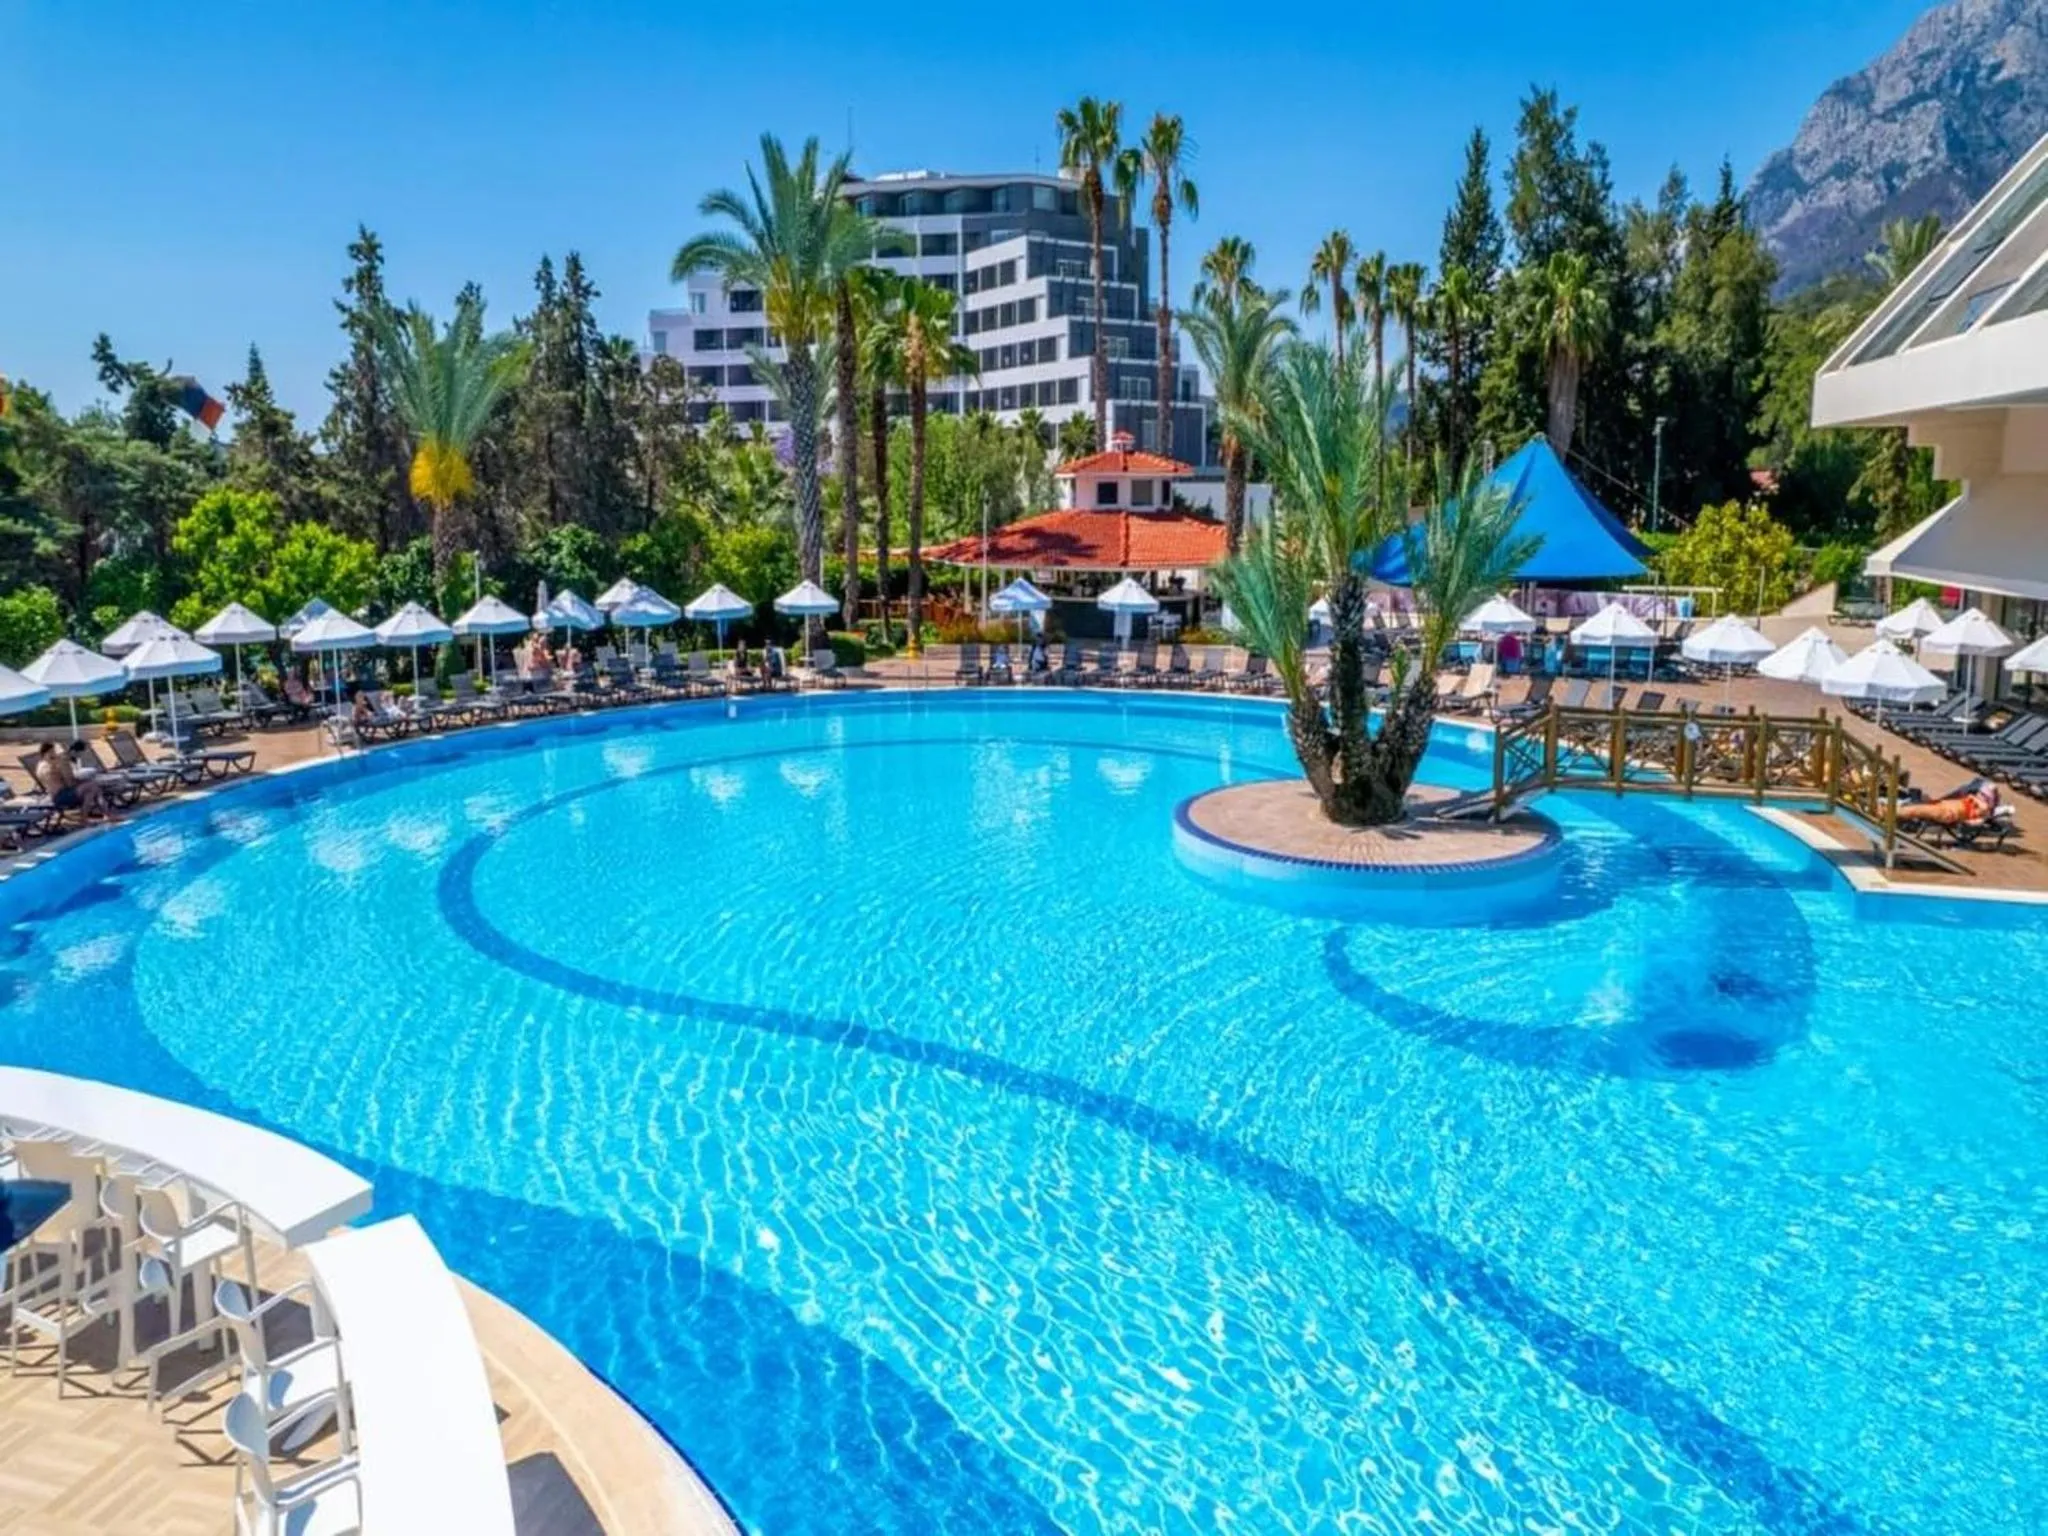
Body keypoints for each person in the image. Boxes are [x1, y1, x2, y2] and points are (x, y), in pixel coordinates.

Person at [33, 741, 105, 820]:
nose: (54, 754)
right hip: (61, 797)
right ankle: (98, 814)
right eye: (51, 752)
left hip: (57, 795)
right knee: (93, 786)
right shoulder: (53, 765)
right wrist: (64, 765)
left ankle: (86, 817)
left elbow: (63, 781)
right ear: (45, 753)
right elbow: (70, 783)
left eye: (53, 751)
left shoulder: (41, 765)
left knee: (91, 791)